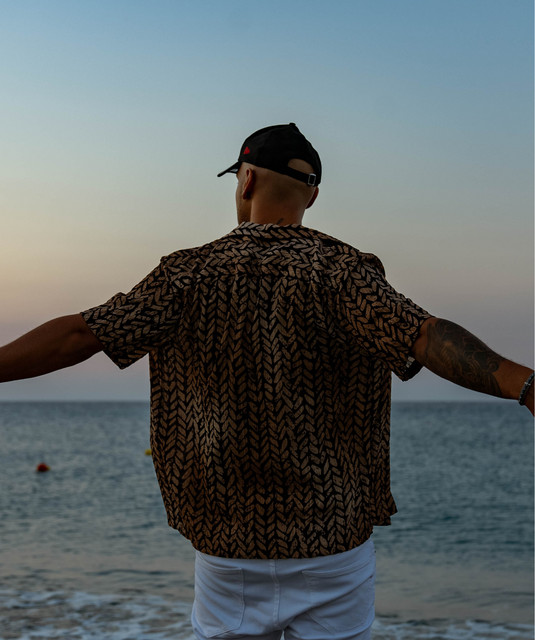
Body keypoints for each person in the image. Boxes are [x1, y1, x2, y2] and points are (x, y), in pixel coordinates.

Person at [1, 123, 533, 640]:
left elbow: (82, 334)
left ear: (247, 179)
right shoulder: (343, 272)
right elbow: (426, 336)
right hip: (332, 547)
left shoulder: (186, 275)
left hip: (226, 548)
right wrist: (525, 386)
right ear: (312, 195)